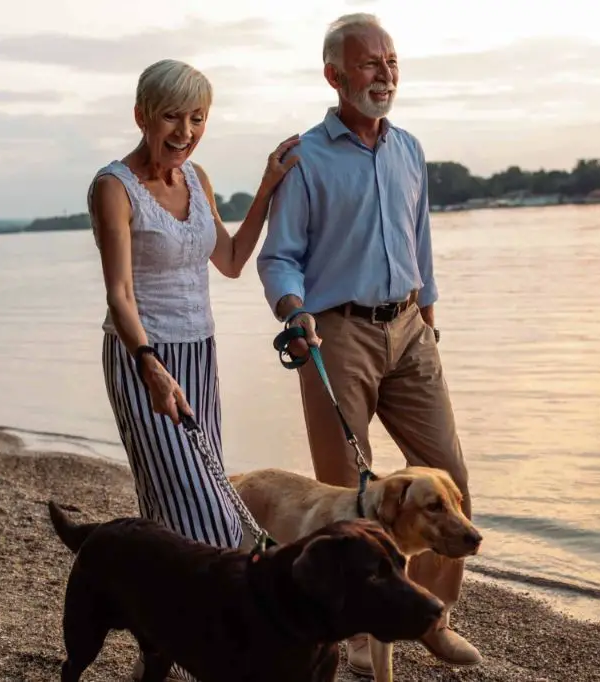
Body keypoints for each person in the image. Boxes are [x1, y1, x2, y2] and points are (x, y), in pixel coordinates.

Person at [255, 12, 482, 677]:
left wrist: (429, 321)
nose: (384, 75)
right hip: (336, 332)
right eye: (368, 64)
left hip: (410, 329)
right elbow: (279, 258)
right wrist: (294, 314)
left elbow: (422, 243)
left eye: (391, 63)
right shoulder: (305, 157)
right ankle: (355, 638)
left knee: (450, 480)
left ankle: (431, 620)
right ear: (334, 75)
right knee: (347, 499)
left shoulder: (409, 148)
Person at [88, 58, 298, 682]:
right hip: (140, 358)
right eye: (172, 117)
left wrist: (266, 188)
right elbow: (120, 295)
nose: (185, 131)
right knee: (204, 508)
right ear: (142, 116)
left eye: (198, 118)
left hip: (199, 354)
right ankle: (226, 646)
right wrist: (150, 365)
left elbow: (231, 260)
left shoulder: (198, 178)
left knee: (169, 504)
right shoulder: (113, 188)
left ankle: (160, 652)